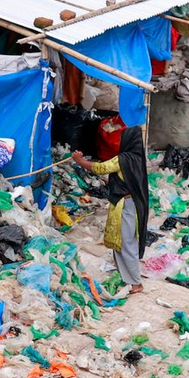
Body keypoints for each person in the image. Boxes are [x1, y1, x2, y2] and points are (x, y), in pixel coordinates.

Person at [71, 124, 150, 295]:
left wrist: (80, 161)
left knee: (126, 243)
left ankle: (136, 283)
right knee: (121, 243)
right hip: (134, 203)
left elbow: (101, 168)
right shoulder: (138, 159)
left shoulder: (123, 159)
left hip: (125, 205)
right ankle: (128, 279)